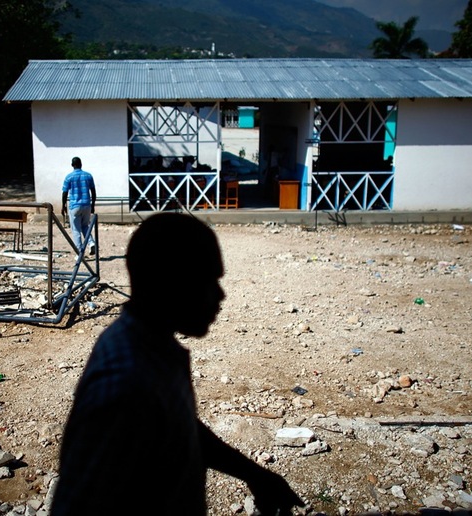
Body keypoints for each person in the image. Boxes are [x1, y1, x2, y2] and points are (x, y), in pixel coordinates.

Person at [50, 213, 304, 516]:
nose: (221, 295)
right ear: (171, 284)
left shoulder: (151, 347)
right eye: (208, 281)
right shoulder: (126, 387)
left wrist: (254, 474)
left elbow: (179, 427)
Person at [61, 157, 97, 255]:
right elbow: (93, 191)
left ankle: (80, 252)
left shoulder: (69, 177)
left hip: (74, 206)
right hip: (86, 205)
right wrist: (93, 205)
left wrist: (63, 205)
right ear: (81, 164)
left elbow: (64, 193)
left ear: (72, 165)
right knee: (85, 226)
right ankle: (91, 243)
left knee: (76, 229)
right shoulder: (88, 176)